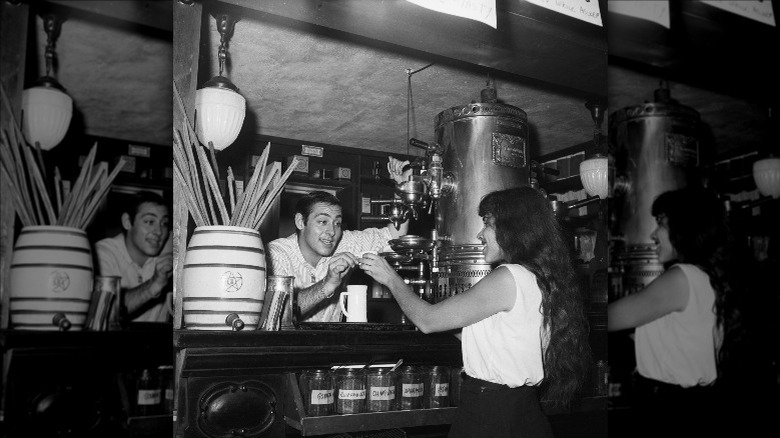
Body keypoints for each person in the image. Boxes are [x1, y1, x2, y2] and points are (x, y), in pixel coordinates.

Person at [358, 186, 592, 438]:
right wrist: (444, 314)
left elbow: (427, 321)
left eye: (487, 223)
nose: (480, 233)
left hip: (490, 410)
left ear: (513, 227)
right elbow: (497, 338)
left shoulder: (508, 277)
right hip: (522, 409)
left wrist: (391, 279)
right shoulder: (540, 277)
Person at [607, 186, 743, 436]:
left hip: (671, 406)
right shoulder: (706, 276)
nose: (653, 233)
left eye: (661, 223)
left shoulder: (682, 277)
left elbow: (610, 317)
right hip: (692, 404)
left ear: (684, 227)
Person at [267, 156, 412, 322]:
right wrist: (327, 283)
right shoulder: (276, 254)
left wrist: (404, 190)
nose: (332, 231)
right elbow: (279, 314)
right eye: (322, 222)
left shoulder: (344, 242)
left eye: (337, 223)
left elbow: (394, 237)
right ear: (300, 222)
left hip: (333, 344)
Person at [95, 190, 173, 322]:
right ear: (127, 222)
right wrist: (155, 283)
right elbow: (104, 313)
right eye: (149, 222)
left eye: (164, 223)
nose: (159, 231)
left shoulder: (167, 251)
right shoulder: (102, 254)